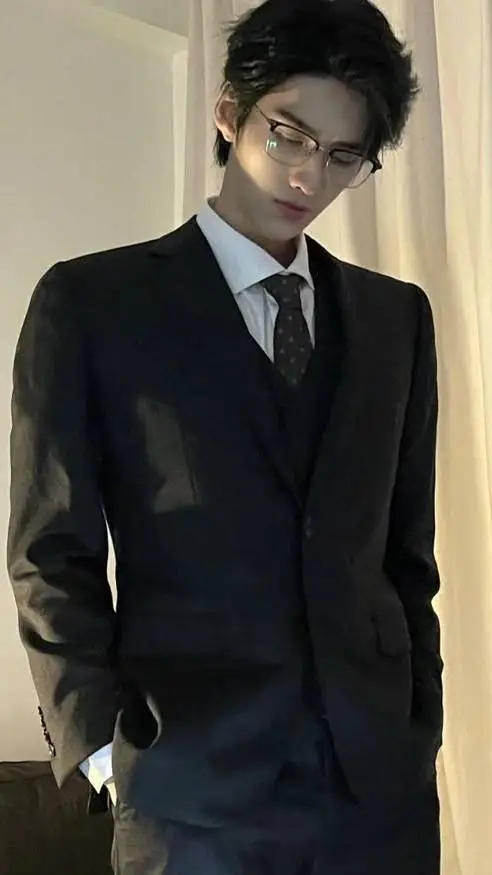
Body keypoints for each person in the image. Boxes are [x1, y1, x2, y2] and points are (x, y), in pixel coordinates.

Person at [7, 0, 443, 873]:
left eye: (343, 155)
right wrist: (103, 752)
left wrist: (419, 722)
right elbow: (50, 550)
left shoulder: (396, 319)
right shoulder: (94, 305)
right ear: (227, 111)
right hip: (188, 801)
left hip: (378, 798)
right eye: (289, 135)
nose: (309, 176)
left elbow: (406, 551)